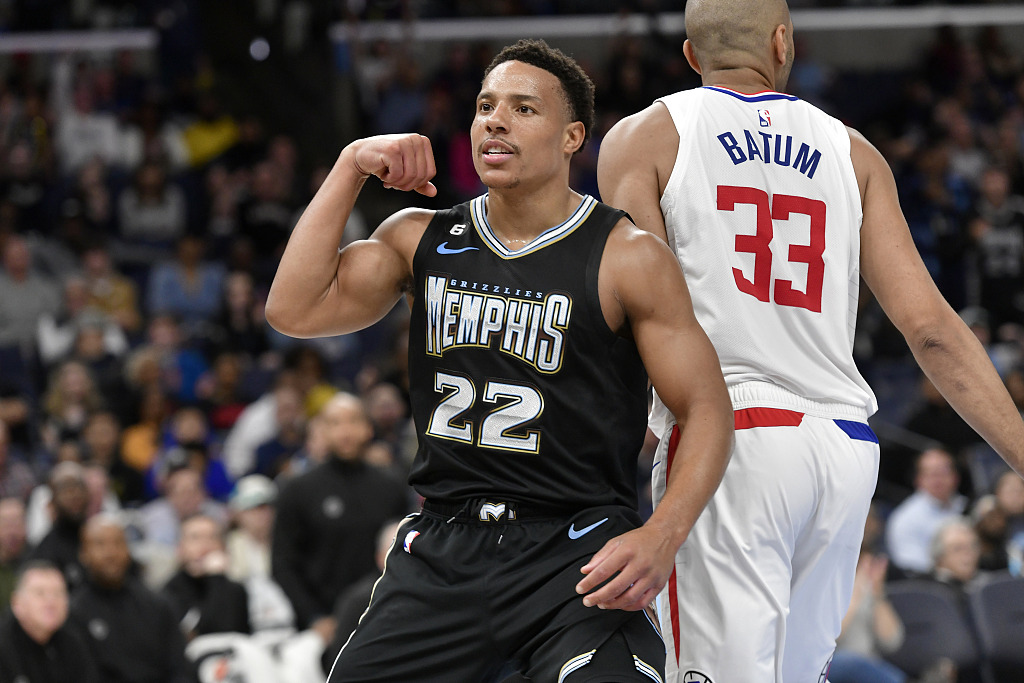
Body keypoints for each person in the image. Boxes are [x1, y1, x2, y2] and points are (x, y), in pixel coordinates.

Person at [266, 38, 733, 682]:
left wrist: (662, 534)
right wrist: (349, 168)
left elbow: (707, 408)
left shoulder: (627, 254)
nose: (495, 120)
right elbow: (293, 308)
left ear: (572, 137)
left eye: (522, 108)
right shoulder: (419, 237)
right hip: (444, 548)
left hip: (573, 553)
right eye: (486, 105)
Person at [596, 1, 1024, 681]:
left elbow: (636, 319)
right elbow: (932, 330)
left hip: (730, 439)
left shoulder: (646, 136)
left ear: (688, 56)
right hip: (843, 450)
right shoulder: (854, 150)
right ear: (782, 42)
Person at [271, 393, 411, 635]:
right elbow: (283, 563)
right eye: (335, 423)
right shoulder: (297, 489)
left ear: (368, 428)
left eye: (353, 421)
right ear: (322, 431)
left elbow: (407, 552)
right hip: (321, 626)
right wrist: (314, 617)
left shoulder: (392, 485)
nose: (345, 431)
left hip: (385, 617)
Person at [70, 514, 193, 683]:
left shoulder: (158, 605)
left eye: (118, 543)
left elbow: (180, 669)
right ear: (83, 553)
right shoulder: (74, 612)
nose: (110, 553)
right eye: (100, 544)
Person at [0, 560, 100, 683]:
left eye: (58, 593)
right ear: (17, 603)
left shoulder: (74, 645)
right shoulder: (4, 649)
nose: (51, 602)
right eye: (40, 593)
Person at [886, 448, 969, 575]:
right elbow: (912, 569)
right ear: (918, 479)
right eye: (931, 474)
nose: (938, 479)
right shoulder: (905, 519)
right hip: (930, 586)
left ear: (956, 477)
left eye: (943, 472)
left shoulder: (966, 506)